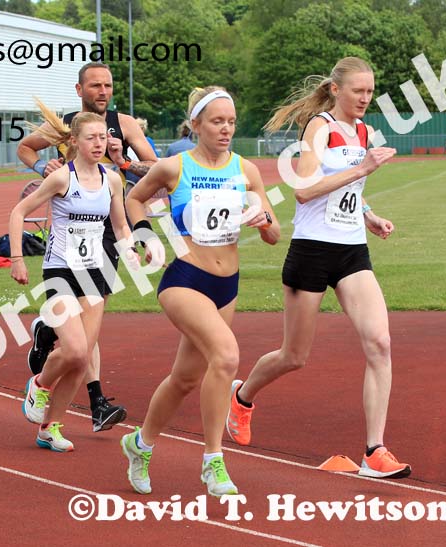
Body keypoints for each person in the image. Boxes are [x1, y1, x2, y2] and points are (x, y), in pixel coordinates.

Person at [226, 57, 411, 479]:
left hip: (351, 252)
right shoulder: (320, 127)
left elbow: (348, 189)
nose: (365, 98)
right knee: (294, 356)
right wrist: (363, 167)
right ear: (336, 90)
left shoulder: (363, 132)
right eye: (358, 91)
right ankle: (243, 396)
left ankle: (374, 451)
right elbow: (305, 191)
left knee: (380, 342)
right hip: (311, 250)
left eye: (370, 90)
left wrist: (368, 214)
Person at [122, 86, 280, 496]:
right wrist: (143, 235)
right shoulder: (174, 167)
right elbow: (134, 199)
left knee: (185, 378)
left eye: (231, 121)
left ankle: (139, 445)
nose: (226, 129)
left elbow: (274, 235)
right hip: (185, 279)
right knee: (226, 356)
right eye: (216, 121)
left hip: (226, 285)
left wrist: (263, 218)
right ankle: (213, 461)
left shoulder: (246, 170)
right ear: (195, 125)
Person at [16, 62, 158, 432]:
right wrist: (41, 168)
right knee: (79, 343)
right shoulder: (65, 125)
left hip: (108, 224)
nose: (103, 91)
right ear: (79, 90)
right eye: (95, 85)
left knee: (90, 332)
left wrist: (123, 159)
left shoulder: (124, 124)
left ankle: (50, 336)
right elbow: (26, 148)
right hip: (71, 218)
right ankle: (94, 399)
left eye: (108, 85)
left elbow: (154, 169)